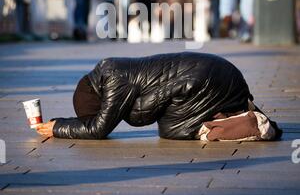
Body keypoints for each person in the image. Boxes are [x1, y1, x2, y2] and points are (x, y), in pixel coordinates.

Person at [36, 52, 282, 141]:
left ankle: (252, 125)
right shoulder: (109, 72)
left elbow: (99, 129)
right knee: (171, 126)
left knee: (176, 130)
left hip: (208, 80)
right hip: (213, 77)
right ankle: (232, 111)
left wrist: (59, 127)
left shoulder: (114, 81)